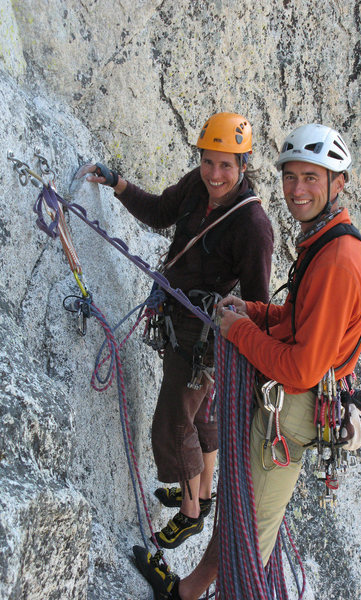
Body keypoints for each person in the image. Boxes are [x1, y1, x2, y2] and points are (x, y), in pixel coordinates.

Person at [131, 123, 361, 599]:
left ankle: (190, 592)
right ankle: (187, 591)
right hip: (293, 406)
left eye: (311, 178)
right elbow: (299, 317)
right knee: (241, 518)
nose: (297, 190)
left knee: (249, 540)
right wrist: (255, 312)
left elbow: (303, 367)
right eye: (291, 177)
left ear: (338, 183)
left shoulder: (339, 260)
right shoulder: (327, 241)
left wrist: (240, 330)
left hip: (295, 410)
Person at [83, 112, 274, 549]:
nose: (215, 174)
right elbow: (160, 211)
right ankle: (201, 495)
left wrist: (249, 356)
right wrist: (118, 184)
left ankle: (189, 514)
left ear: (244, 166)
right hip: (179, 321)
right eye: (209, 162)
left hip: (205, 334)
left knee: (172, 423)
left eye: (227, 165)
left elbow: (258, 302)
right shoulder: (197, 185)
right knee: (199, 418)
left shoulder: (253, 226)